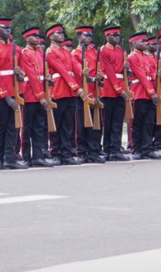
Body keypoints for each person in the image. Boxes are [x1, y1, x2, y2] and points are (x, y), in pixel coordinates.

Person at [0, 17, 29, 170]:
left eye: (9, 28)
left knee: (13, 126)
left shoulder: (16, 48)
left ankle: (10, 157)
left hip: (15, 91)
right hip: (1, 93)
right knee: (0, 126)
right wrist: (6, 96)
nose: (8, 31)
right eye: (4, 28)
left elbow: (22, 71)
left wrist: (20, 74)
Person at [45, 24, 88, 165]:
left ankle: (66, 153)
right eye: (58, 33)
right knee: (56, 124)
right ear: (51, 36)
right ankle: (55, 153)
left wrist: (82, 70)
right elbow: (62, 70)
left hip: (70, 91)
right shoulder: (50, 52)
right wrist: (77, 87)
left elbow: (74, 64)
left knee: (68, 125)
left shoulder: (66, 52)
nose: (62, 34)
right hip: (59, 90)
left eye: (62, 32)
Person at [19, 27, 56, 167]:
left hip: (41, 92)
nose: (37, 38)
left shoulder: (40, 53)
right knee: (27, 127)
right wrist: (41, 96)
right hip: (30, 94)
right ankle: (27, 156)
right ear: (27, 38)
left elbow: (41, 75)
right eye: (34, 36)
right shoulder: (25, 53)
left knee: (39, 127)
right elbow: (32, 76)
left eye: (37, 36)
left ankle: (38, 156)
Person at [73, 26, 105, 163]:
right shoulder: (75, 53)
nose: (88, 38)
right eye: (85, 36)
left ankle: (94, 151)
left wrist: (100, 75)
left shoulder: (94, 52)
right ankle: (82, 151)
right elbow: (75, 71)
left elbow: (101, 68)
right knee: (82, 123)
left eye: (90, 36)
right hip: (82, 92)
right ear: (79, 37)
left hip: (95, 90)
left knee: (96, 122)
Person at [127, 32, 161, 160]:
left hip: (149, 92)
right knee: (137, 123)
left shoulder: (147, 57)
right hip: (139, 93)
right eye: (141, 41)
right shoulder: (132, 57)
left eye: (145, 41)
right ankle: (136, 148)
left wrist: (155, 77)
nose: (145, 43)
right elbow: (141, 75)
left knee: (148, 122)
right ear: (134, 43)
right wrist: (152, 93)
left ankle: (147, 148)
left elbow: (152, 73)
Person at [98, 25, 130, 161]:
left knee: (118, 122)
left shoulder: (121, 51)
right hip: (109, 90)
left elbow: (123, 73)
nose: (117, 38)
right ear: (107, 37)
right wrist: (119, 90)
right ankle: (107, 149)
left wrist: (127, 69)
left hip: (120, 87)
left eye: (118, 35)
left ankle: (115, 149)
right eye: (114, 36)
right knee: (108, 122)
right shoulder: (104, 51)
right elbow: (109, 72)